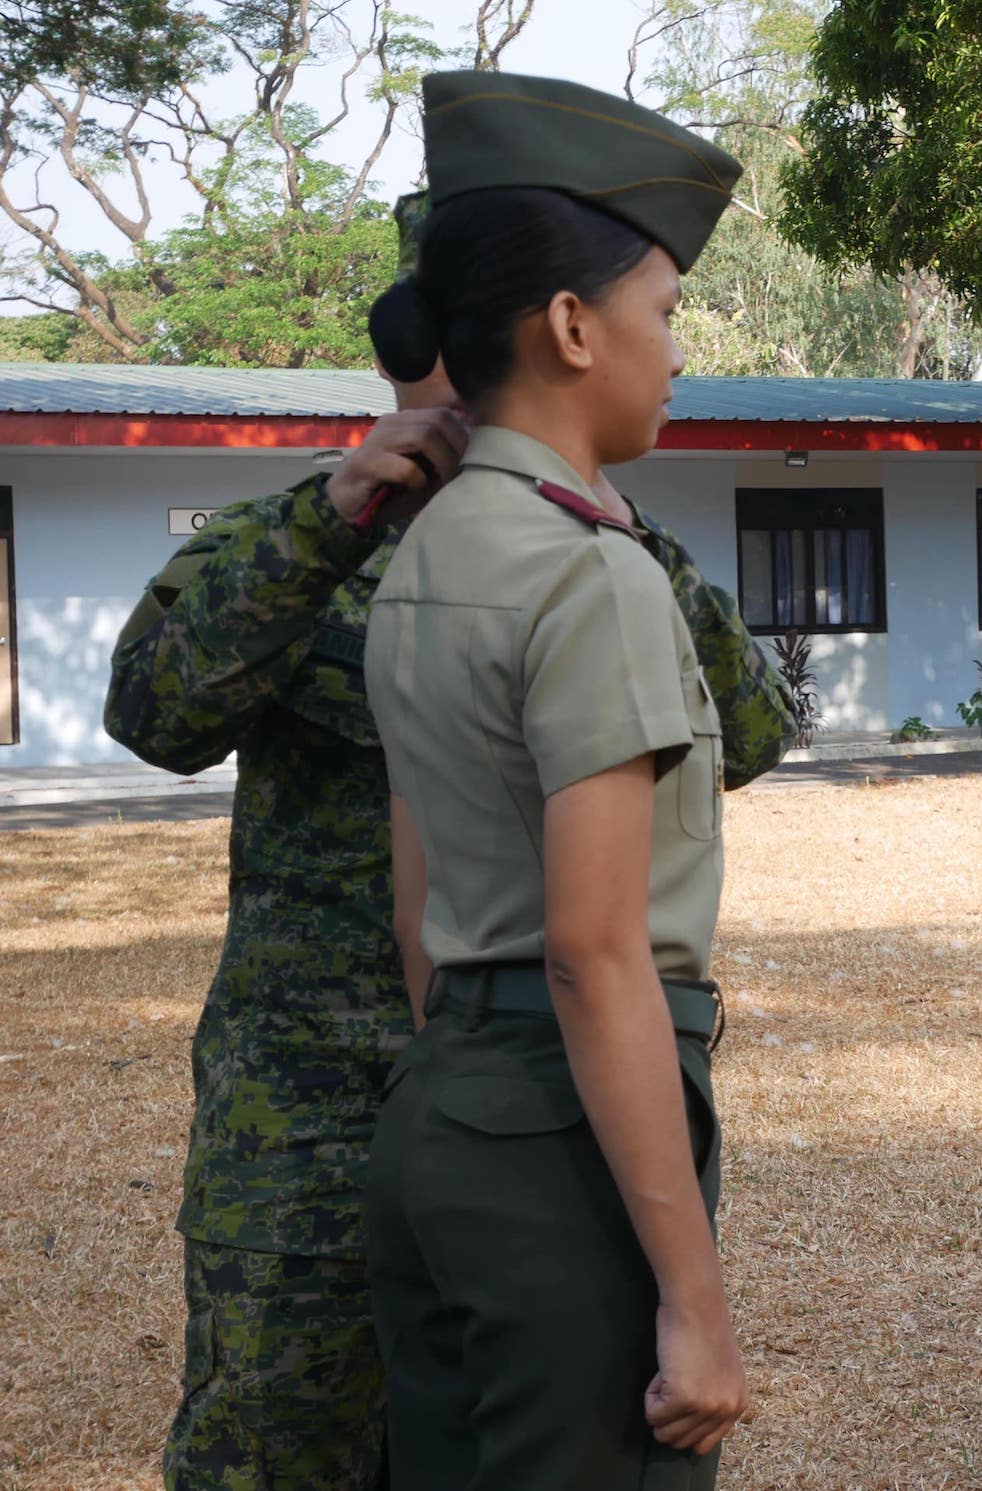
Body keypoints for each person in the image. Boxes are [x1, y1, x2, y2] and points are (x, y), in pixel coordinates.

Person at [103, 195, 791, 1491]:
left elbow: (750, 730)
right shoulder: (321, 537)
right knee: (274, 1452)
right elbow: (156, 712)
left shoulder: (591, 547)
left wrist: (630, 540)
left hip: (532, 1095)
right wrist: (334, 515)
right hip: (308, 1117)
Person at [361, 70, 749, 1489]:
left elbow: (423, 905)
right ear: (574, 327)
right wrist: (696, 1303)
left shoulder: (427, 551)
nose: (673, 352)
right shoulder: (590, 572)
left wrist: (466, 1076)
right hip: (568, 1128)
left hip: (445, 1108)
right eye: (662, 313)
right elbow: (594, 954)